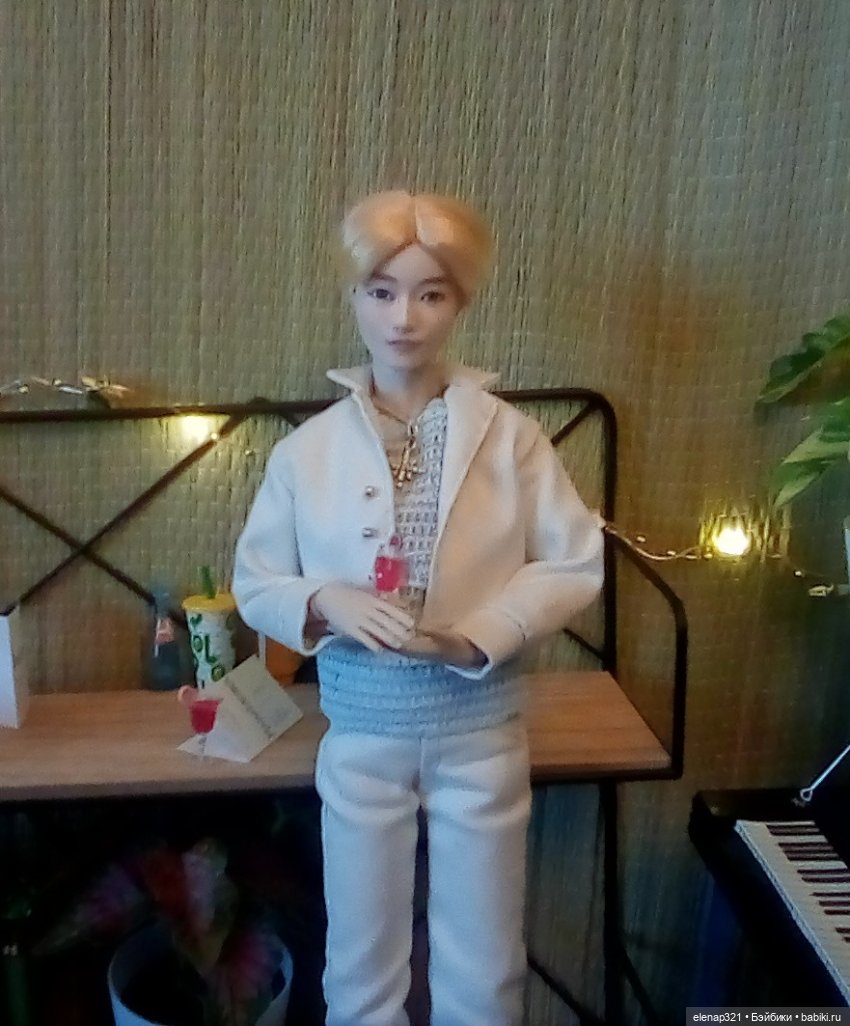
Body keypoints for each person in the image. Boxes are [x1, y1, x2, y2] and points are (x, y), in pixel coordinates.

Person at [232, 190, 604, 1026]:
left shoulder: (511, 439)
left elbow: (575, 558)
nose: (403, 318)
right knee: (360, 959)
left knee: (486, 955)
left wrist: (479, 635)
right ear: (354, 297)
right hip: (362, 725)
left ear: (460, 302)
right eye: (381, 292)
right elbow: (256, 581)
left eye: (430, 294)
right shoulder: (308, 451)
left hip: (481, 724)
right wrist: (324, 597)